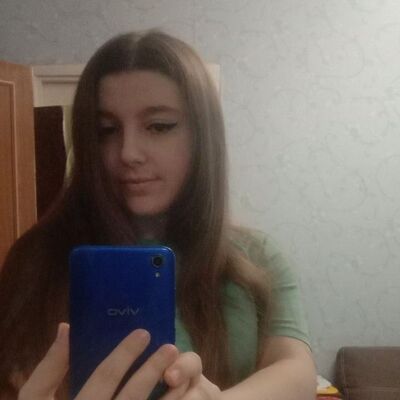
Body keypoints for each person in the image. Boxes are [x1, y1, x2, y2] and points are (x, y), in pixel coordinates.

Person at [0, 30, 316, 399]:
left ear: (201, 136)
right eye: (106, 130)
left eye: (159, 126)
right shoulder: (34, 258)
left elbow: (297, 370)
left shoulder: (256, 256)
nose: (128, 153)